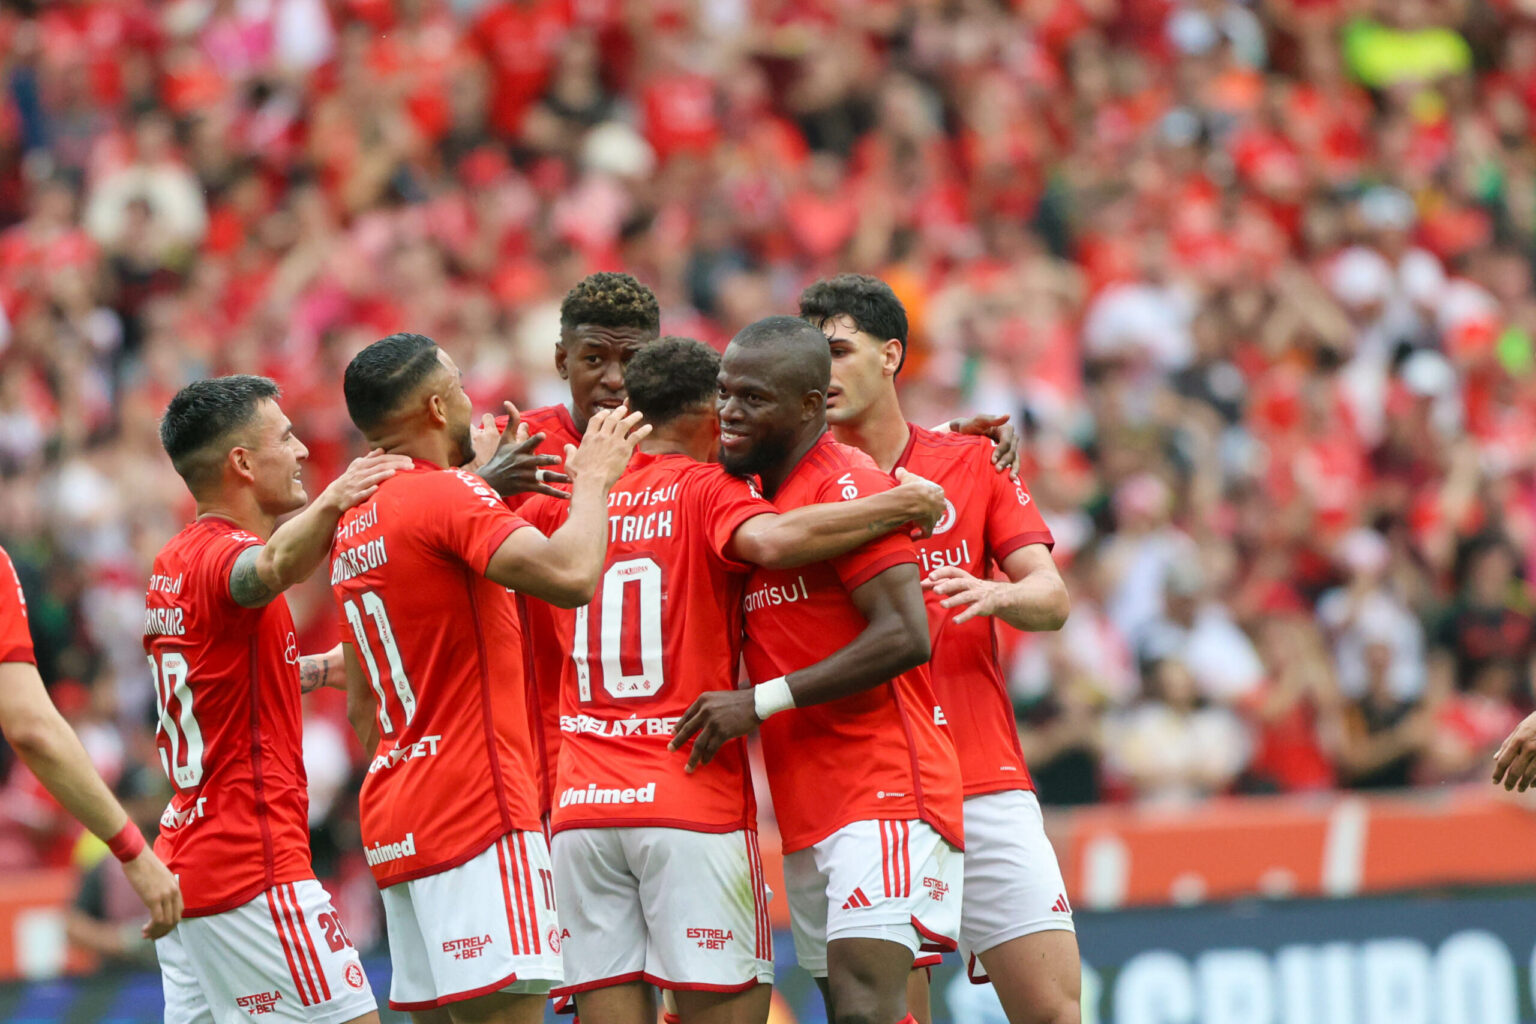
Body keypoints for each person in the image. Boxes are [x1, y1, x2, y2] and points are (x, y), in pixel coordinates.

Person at [518, 336, 947, 1024]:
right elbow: (776, 542)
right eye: (724, 402)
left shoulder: (570, 502)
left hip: (581, 807)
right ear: (704, 418)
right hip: (687, 791)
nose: (732, 417)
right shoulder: (710, 490)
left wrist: (485, 472)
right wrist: (905, 499)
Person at [330, 332, 646, 1022]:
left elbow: (362, 706)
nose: (472, 397)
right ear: (438, 406)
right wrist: (593, 478)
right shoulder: (446, 497)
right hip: (478, 809)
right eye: (459, 384)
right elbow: (569, 577)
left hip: (396, 816)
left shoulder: (353, 521)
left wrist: (481, 488)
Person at [799, 274, 1080, 1024]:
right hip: (877, 792)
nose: (821, 372)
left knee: (1055, 1012)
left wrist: (998, 594)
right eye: (810, 356)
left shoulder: (970, 462)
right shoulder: (793, 491)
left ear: (891, 355)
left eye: (838, 350)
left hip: (986, 780)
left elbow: (1051, 598)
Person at [671, 316, 965, 1024]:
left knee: (866, 1007)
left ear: (809, 405)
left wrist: (759, 701)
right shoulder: (748, 500)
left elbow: (906, 634)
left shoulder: (847, 489)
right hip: (808, 801)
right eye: (726, 393)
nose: (731, 412)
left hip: (886, 785)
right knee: (853, 1010)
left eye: (754, 398)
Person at [148, 375, 406, 1024]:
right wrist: (337, 499)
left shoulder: (172, 561)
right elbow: (265, 572)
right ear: (241, 462)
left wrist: (322, 668)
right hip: (251, 864)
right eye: (286, 437)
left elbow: (227, 681)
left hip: (189, 861)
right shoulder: (228, 557)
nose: (299, 453)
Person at [0, 545, 181, 938]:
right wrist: (133, 851)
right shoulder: (97, 744)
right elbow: (33, 729)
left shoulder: (112, 742)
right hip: (65, 871)